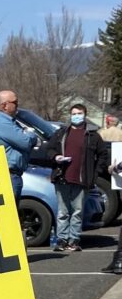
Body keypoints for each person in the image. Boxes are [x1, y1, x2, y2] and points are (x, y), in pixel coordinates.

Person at [48, 103, 108, 252]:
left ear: (85, 115)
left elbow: (103, 154)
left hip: (82, 179)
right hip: (62, 176)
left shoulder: (92, 135)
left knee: (77, 211)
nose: (76, 116)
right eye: (74, 113)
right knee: (63, 212)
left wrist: (95, 173)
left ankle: (73, 240)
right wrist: (56, 157)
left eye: (79, 113)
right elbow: (49, 149)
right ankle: (61, 240)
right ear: (70, 115)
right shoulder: (62, 132)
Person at [0, 89, 39, 201]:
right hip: (9, 176)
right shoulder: (3, 123)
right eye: (14, 102)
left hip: (13, 175)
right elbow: (26, 142)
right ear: (4, 106)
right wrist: (31, 134)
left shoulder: (9, 122)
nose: (17, 105)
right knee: (11, 215)